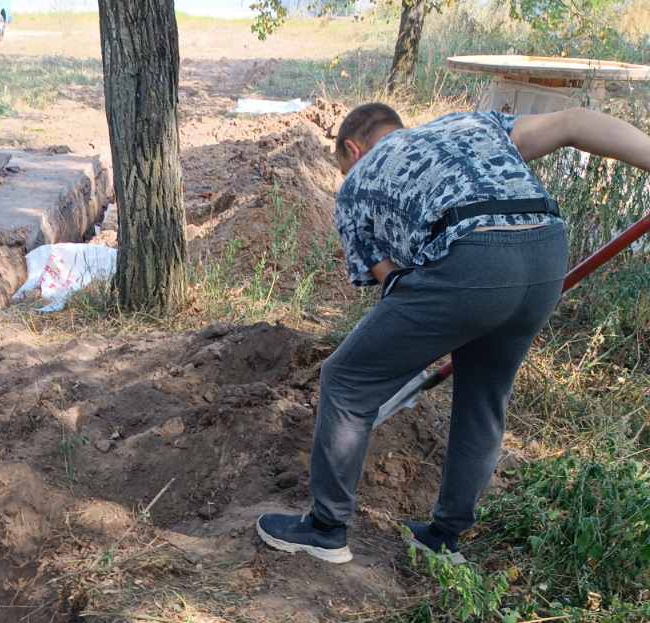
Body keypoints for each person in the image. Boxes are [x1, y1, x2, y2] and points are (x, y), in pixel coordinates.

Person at [257, 101, 650, 566]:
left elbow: (392, 283)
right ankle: (443, 539)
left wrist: (424, 333)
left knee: (346, 380)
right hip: (546, 251)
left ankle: (325, 529)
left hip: (474, 260)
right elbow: (573, 122)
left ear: (352, 150)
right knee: (483, 399)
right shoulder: (472, 125)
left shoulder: (357, 184)